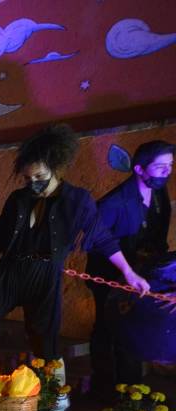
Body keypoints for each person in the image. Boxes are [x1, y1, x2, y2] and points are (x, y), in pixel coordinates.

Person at [0, 124, 144, 411]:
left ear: (56, 169)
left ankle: (56, 398)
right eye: (28, 178)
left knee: (45, 339)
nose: (33, 183)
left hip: (45, 276)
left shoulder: (77, 200)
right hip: (9, 271)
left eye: (40, 177)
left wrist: (130, 273)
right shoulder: (18, 199)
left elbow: (104, 239)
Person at [87, 140, 172, 395]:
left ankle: (132, 390)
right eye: (160, 167)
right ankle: (103, 386)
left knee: (134, 328)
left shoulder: (159, 193)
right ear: (139, 169)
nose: (167, 172)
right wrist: (127, 270)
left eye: (170, 166)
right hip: (110, 275)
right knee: (108, 328)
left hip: (143, 274)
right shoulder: (113, 203)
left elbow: (158, 235)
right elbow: (95, 242)